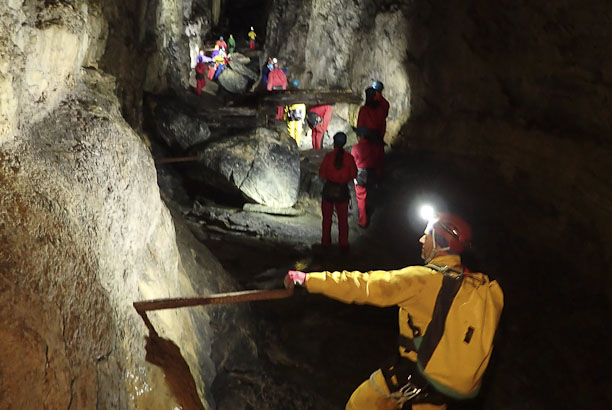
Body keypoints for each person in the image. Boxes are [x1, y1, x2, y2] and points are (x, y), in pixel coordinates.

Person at [285, 213, 504, 410]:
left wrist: (308, 280)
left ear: (441, 244)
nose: (421, 240)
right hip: (441, 396)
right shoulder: (475, 285)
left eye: (427, 235)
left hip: (406, 380)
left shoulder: (423, 280)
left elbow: (363, 285)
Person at [317, 132, 357, 251]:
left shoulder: (329, 157)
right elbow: (353, 174)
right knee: (343, 220)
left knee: (327, 219)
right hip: (342, 191)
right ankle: (343, 244)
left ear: (334, 143)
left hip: (329, 190)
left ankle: (325, 243)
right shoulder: (349, 158)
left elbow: (322, 173)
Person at [351, 126, 383, 227]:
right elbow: (379, 161)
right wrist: (378, 174)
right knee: (371, 194)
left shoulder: (355, 148)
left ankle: (363, 221)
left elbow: (353, 163)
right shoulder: (374, 147)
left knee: (361, 197)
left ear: (361, 136)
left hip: (360, 174)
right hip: (372, 173)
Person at [357, 87, 386, 177]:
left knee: (367, 162)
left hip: (367, 139)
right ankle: (378, 180)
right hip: (377, 138)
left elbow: (360, 125)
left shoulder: (364, 110)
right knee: (378, 163)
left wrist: (361, 140)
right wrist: (381, 136)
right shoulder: (380, 109)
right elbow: (383, 125)